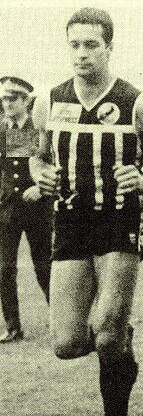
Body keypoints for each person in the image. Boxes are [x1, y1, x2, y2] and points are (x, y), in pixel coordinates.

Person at [30, 8, 143, 416]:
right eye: (74, 45)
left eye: (91, 45)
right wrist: (44, 174)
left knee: (107, 331)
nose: (81, 54)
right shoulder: (48, 101)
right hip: (71, 223)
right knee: (68, 343)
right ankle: (122, 344)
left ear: (109, 47)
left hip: (119, 223)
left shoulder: (136, 103)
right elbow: (37, 158)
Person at [0, 75, 52, 343]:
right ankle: (13, 326)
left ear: (25, 101)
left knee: (44, 267)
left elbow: (49, 163)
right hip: (8, 209)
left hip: (37, 208)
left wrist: (41, 188)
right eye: (4, 99)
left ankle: (61, 322)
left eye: (12, 98)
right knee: (4, 268)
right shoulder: (1, 128)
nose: (6, 103)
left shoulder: (39, 128)